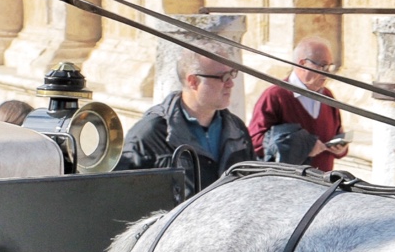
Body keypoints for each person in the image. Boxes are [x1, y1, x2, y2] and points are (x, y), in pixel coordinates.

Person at [116, 48, 254, 190]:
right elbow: (124, 195)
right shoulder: (150, 134)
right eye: (223, 77)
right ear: (193, 81)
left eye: (232, 74)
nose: (231, 84)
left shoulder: (238, 129)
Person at [248, 35, 348, 172]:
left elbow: (335, 137)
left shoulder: (328, 97)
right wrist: (302, 146)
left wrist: (341, 148)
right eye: (323, 66)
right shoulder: (275, 96)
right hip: (287, 186)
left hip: (324, 186)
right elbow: (255, 142)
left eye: (330, 66)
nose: (328, 73)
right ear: (302, 64)